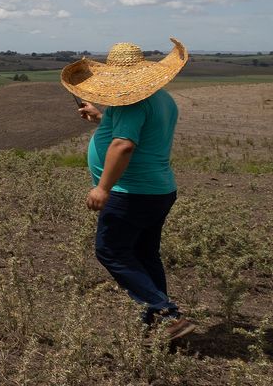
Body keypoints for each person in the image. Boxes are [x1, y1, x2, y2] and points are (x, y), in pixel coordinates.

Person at [62, 38, 195, 341]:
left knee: (112, 251)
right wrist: (102, 117)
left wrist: (102, 189)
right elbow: (137, 131)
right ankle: (157, 321)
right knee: (145, 253)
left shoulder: (131, 103)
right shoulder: (161, 99)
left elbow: (123, 145)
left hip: (130, 192)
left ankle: (167, 314)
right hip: (158, 190)